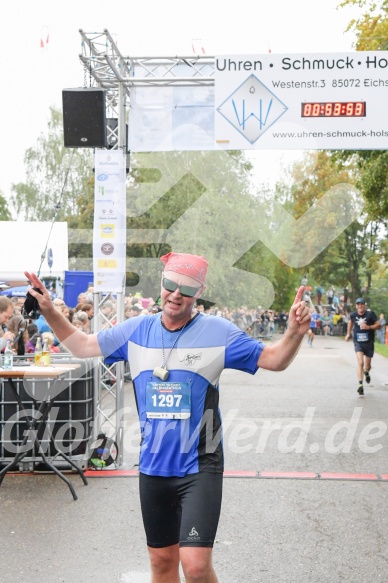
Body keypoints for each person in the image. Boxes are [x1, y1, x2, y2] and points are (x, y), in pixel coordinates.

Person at [24, 252, 311, 583]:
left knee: (196, 566)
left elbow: (273, 359)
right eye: (170, 285)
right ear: (161, 285)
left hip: (200, 464)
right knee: (162, 563)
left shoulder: (218, 332)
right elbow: (83, 346)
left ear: (199, 291)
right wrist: (47, 308)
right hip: (154, 464)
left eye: (186, 289)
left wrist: (294, 332)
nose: (176, 294)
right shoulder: (136, 330)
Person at [345, 298, 381, 396]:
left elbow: (379, 325)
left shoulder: (370, 314)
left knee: (367, 366)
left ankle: (366, 372)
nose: (360, 306)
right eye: (358, 304)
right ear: (356, 306)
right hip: (358, 343)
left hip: (369, 343)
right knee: (360, 362)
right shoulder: (353, 315)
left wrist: (369, 327)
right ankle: (360, 385)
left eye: (362, 304)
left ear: (364, 305)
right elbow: (350, 322)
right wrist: (348, 333)